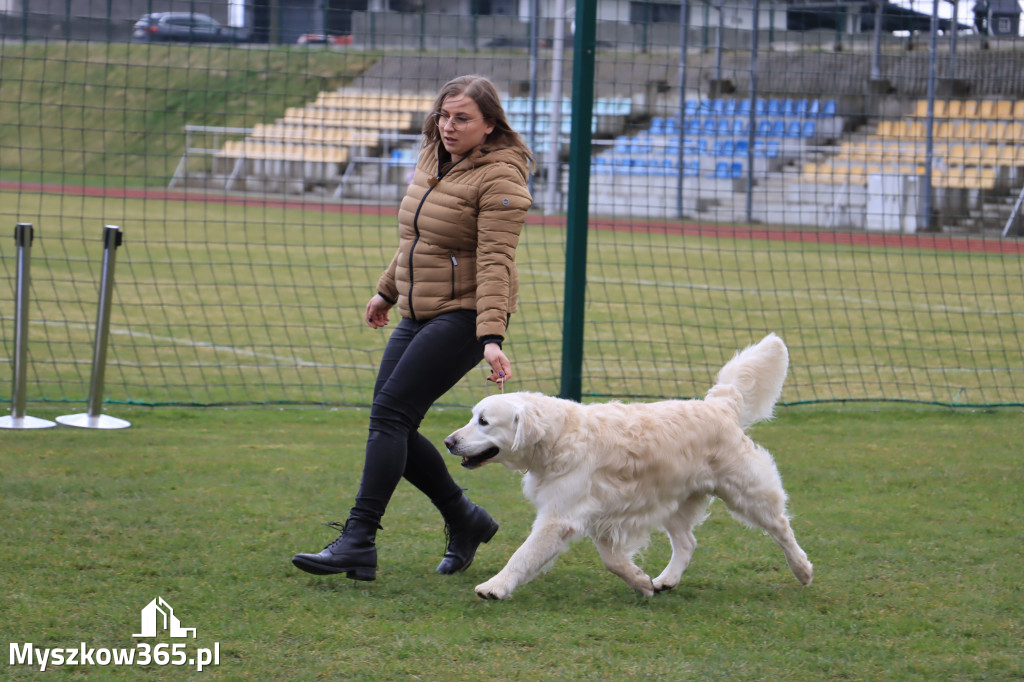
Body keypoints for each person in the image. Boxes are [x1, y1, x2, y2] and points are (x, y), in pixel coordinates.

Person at [292, 75, 534, 581]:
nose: (448, 126)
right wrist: (387, 289)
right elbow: (416, 237)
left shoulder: (502, 179)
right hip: (418, 308)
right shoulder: (432, 156)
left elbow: (495, 261)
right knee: (392, 421)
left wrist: (491, 337)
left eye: (462, 118)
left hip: (466, 314)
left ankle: (358, 539)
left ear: (490, 125)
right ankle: (465, 519)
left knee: (389, 418)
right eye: (444, 115)